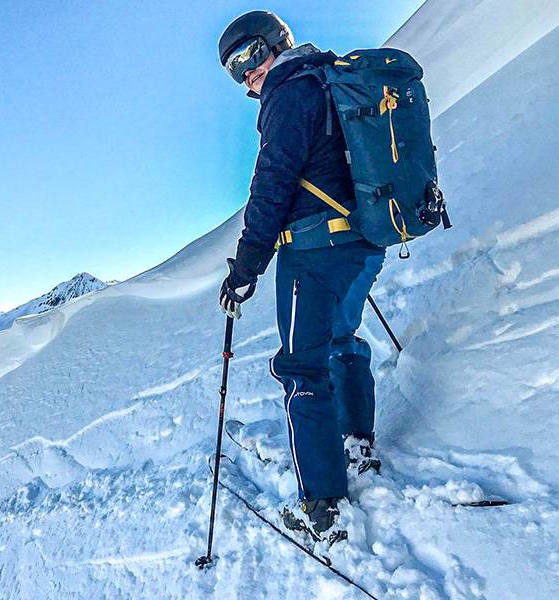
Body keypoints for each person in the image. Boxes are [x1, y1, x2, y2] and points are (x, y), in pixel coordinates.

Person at [216, 10, 386, 539]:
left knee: (301, 370)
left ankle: (323, 508)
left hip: (312, 251)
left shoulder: (288, 92)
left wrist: (245, 268)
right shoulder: (331, 77)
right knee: (342, 338)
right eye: (234, 71)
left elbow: (272, 185)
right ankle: (358, 446)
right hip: (364, 240)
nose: (247, 75)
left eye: (248, 56)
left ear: (273, 43)